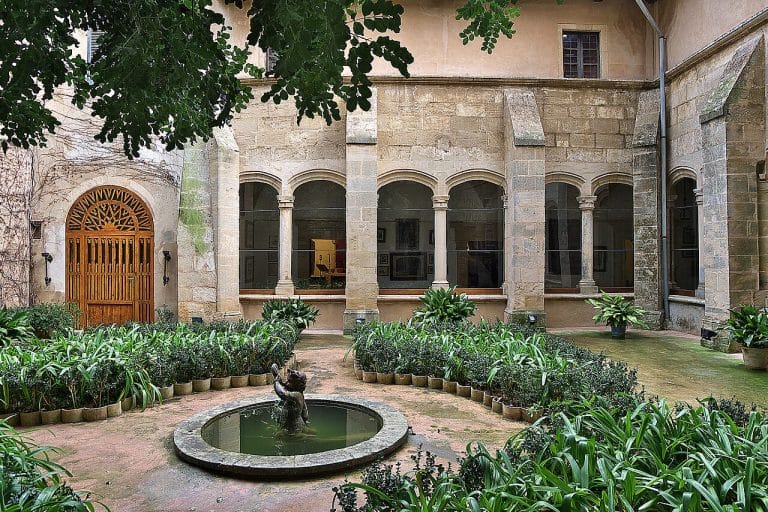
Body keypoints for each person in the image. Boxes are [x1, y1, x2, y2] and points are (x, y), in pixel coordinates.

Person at [271, 363, 308, 433]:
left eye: (289, 381)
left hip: (293, 430)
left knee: (279, 437)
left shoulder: (297, 395)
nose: (286, 383)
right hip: (296, 427)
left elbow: (282, 393)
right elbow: (305, 415)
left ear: (296, 385)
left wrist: (276, 380)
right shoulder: (300, 395)